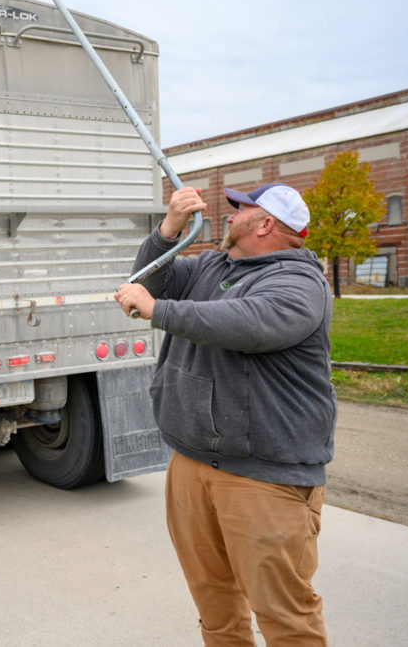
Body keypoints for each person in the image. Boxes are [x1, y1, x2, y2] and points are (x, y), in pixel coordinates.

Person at [115, 183, 337, 646]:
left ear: (266, 224)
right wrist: (168, 230)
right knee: (214, 604)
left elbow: (246, 324)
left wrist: (158, 311)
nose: (230, 215)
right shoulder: (212, 265)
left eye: (241, 210)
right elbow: (147, 281)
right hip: (192, 461)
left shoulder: (300, 283)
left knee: (285, 617)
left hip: (264, 475)